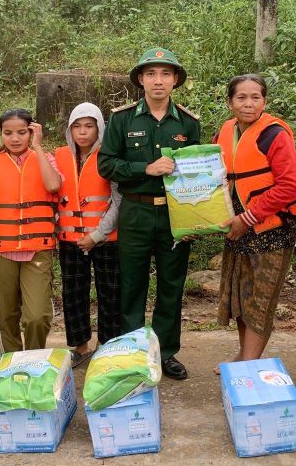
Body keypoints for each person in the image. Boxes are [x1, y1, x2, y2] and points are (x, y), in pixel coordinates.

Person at [98, 47, 200, 380]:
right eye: (151, 74)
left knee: (172, 285)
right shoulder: (122, 119)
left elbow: (196, 174)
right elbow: (106, 164)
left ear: (175, 80)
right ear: (140, 79)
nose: (158, 80)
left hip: (174, 215)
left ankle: (166, 352)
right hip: (135, 212)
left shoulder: (188, 123)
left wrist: (196, 219)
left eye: (165, 74)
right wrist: (146, 168)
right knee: (131, 285)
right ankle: (134, 353)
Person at [214, 74, 296, 373]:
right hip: (236, 227)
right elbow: (211, 174)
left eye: (256, 97)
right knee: (241, 296)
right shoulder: (225, 132)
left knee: (260, 299)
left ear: (264, 101)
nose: (248, 103)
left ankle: (249, 365)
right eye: (241, 97)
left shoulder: (274, 135)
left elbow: (290, 186)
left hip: (270, 230)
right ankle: (244, 355)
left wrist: (248, 217)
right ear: (230, 102)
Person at [0, 109, 62, 353]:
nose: (14, 138)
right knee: (6, 315)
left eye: (22, 132)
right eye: (8, 133)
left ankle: (33, 359)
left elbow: (54, 184)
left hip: (37, 250)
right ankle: (10, 362)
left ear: (32, 131)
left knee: (37, 316)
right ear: (1, 134)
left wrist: (38, 147)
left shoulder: (45, 158)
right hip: (0, 251)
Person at [55, 102, 121, 367]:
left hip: (106, 239)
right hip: (70, 240)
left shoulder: (109, 156)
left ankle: (106, 345)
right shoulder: (58, 157)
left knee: (110, 293)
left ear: (99, 128)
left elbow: (118, 201)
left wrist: (97, 235)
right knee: (73, 294)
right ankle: (80, 346)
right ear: (69, 130)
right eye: (77, 126)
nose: (83, 132)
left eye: (89, 126)